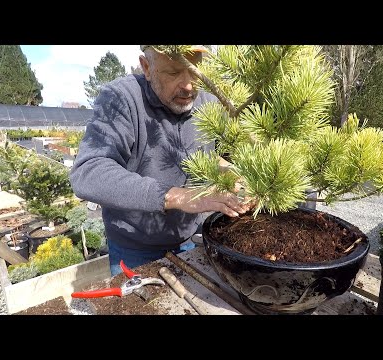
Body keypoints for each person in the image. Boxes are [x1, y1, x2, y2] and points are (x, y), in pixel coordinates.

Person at [70, 45, 252, 276]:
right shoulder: (120, 99)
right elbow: (88, 172)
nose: (188, 85)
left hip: (190, 236)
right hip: (134, 248)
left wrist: (233, 173)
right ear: (147, 67)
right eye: (174, 72)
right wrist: (177, 196)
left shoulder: (209, 101)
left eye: (196, 72)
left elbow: (221, 154)